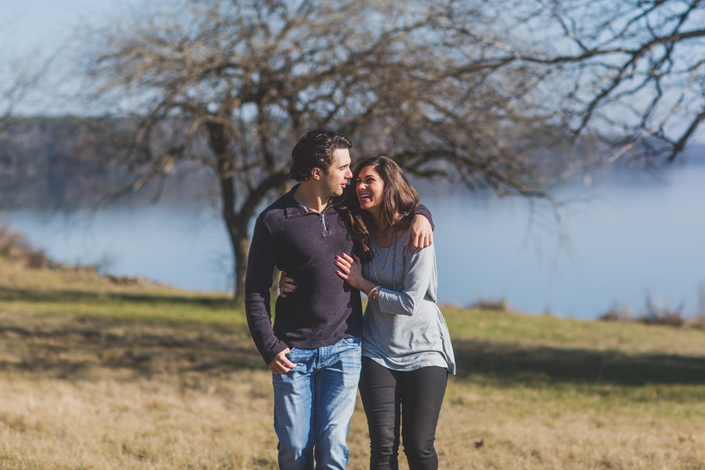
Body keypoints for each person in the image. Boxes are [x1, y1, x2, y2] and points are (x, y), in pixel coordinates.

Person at [244, 130, 434, 470]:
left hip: (345, 347)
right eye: (344, 168)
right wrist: (269, 346)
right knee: (295, 450)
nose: (351, 176)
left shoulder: (349, 209)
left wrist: (423, 213)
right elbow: (255, 288)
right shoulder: (273, 220)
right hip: (293, 351)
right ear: (317, 172)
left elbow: (395, 199)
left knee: (333, 447)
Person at [280, 156, 455, 470]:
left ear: (389, 185)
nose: (359, 186)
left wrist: (421, 215)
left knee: (419, 446)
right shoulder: (359, 227)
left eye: (369, 180)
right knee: (382, 447)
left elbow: (409, 304)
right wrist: (289, 275)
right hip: (376, 349)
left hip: (425, 350)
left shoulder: (418, 235)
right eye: (357, 180)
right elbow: (316, 237)